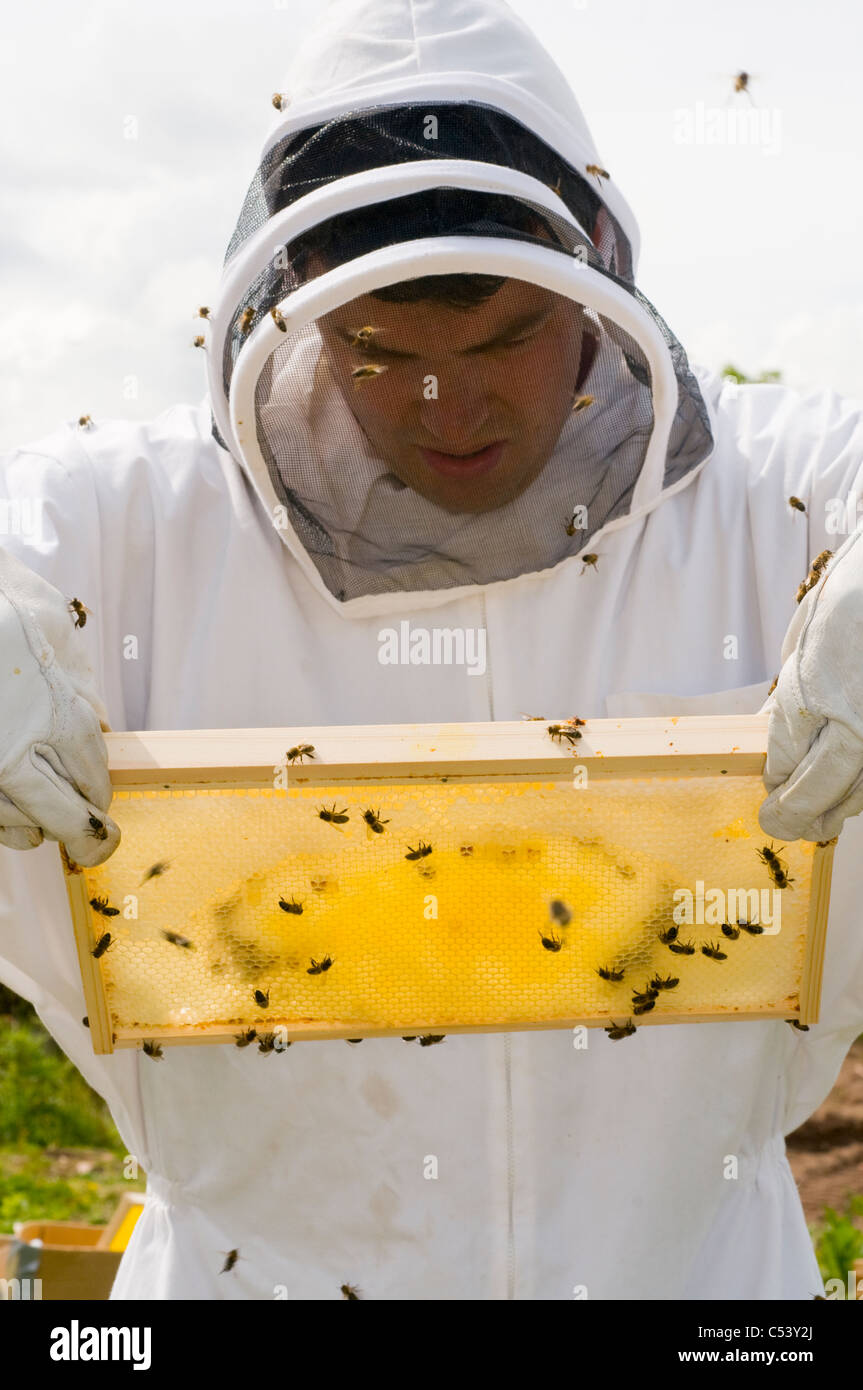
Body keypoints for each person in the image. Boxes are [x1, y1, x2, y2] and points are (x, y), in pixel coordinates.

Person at [1, 0, 862, 1301]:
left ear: (594, 288)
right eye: (382, 352)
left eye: (507, 339)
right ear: (295, 317)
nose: (447, 405)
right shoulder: (136, 529)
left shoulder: (768, 496)